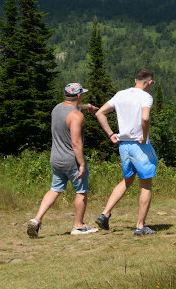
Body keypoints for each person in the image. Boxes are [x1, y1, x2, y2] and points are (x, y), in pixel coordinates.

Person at [27, 83, 99, 237]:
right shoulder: (76, 116)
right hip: (71, 160)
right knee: (81, 192)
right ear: (78, 95)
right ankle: (78, 226)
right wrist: (81, 164)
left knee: (55, 189)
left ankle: (37, 219)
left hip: (56, 158)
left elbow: (74, 108)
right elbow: (76, 142)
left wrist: (89, 107)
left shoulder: (57, 108)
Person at [94, 68, 159, 237]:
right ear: (149, 82)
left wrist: (110, 134)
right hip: (139, 145)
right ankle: (140, 226)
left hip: (123, 145)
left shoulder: (120, 94)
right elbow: (145, 118)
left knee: (127, 179)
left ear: (136, 79)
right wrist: (144, 136)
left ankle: (105, 214)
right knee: (146, 183)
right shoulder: (146, 97)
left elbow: (100, 112)